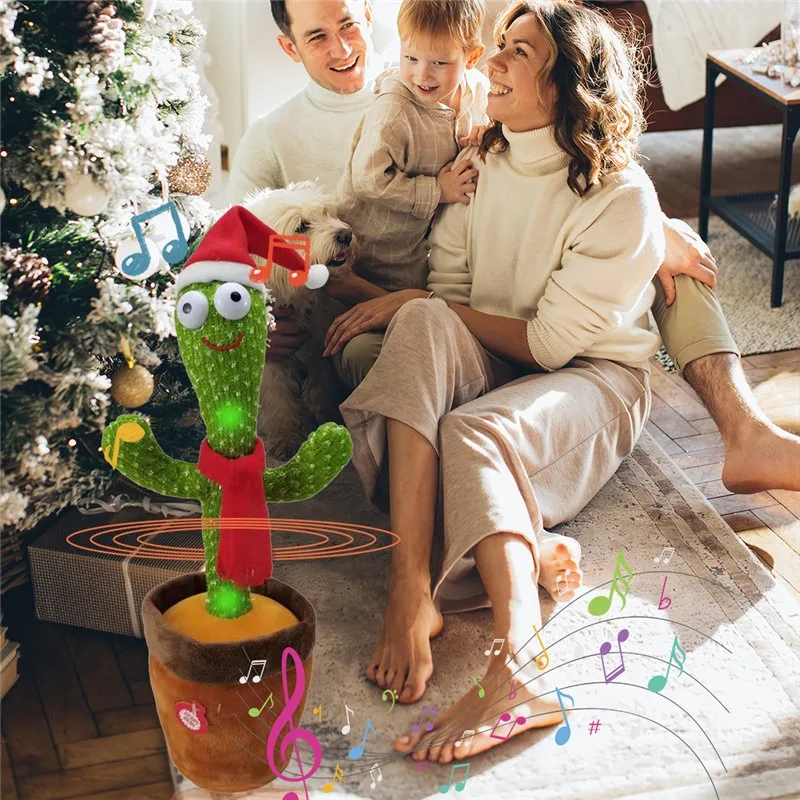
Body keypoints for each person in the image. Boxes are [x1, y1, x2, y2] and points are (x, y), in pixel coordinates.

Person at [229, 0, 800, 497]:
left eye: (348, 25)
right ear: (288, 46)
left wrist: (649, 220)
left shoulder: (431, 69)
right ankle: (474, 451)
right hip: (397, 297)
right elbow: (232, 257)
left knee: (674, 246)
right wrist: (257, 323)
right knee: (369, 355)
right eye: (317, 36)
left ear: (371, 17)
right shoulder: (270, 138)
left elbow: (561, 140)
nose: (341, 47)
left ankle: (745, 430)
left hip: (466, 278)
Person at [334, 0, 678, 762]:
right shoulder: (483, 164)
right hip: (504, 357)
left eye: (517, 52)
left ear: (567, 84)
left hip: (597, 376)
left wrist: (423, 306)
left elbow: (553, 344)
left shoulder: (622, 199)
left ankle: (521, 665)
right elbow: (450, 294)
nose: (490, 62)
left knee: (470, 430)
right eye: (499, 46)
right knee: (423, 325)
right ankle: (411, 583)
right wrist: (421, 307)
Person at [334, 0, 488, 293]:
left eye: (439, 63)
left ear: (471, 57)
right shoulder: (393, 109)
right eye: (411, 58)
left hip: (427, 250)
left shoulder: (479, 91)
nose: (422, 75)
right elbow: (368, 179)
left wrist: (488, 131)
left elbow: (495, 122)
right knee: (379, 306)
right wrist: (437, 190)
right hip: (376, 251)